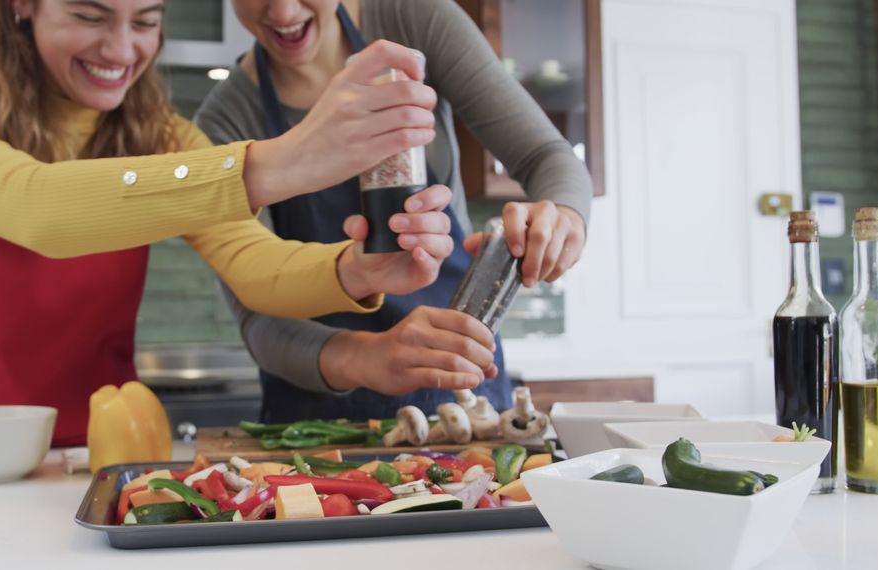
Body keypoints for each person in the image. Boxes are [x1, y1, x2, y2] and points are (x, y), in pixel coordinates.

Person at [0, 0, 493, 446]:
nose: (121, 49)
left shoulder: (165, 137)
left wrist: (354, 269)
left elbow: (254, 266)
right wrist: (281, 161)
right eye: (90, 17)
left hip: (104, 450)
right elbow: (35, 207)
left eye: (145, 21)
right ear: (23, 7)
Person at [194, 0, 593, 423]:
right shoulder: (223, 123)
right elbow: (260, 323)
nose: (283, 10)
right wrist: (371, 357)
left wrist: (564, 217)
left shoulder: (414, 19)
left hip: (463, 396)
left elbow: (547, 156)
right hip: (319, 423)